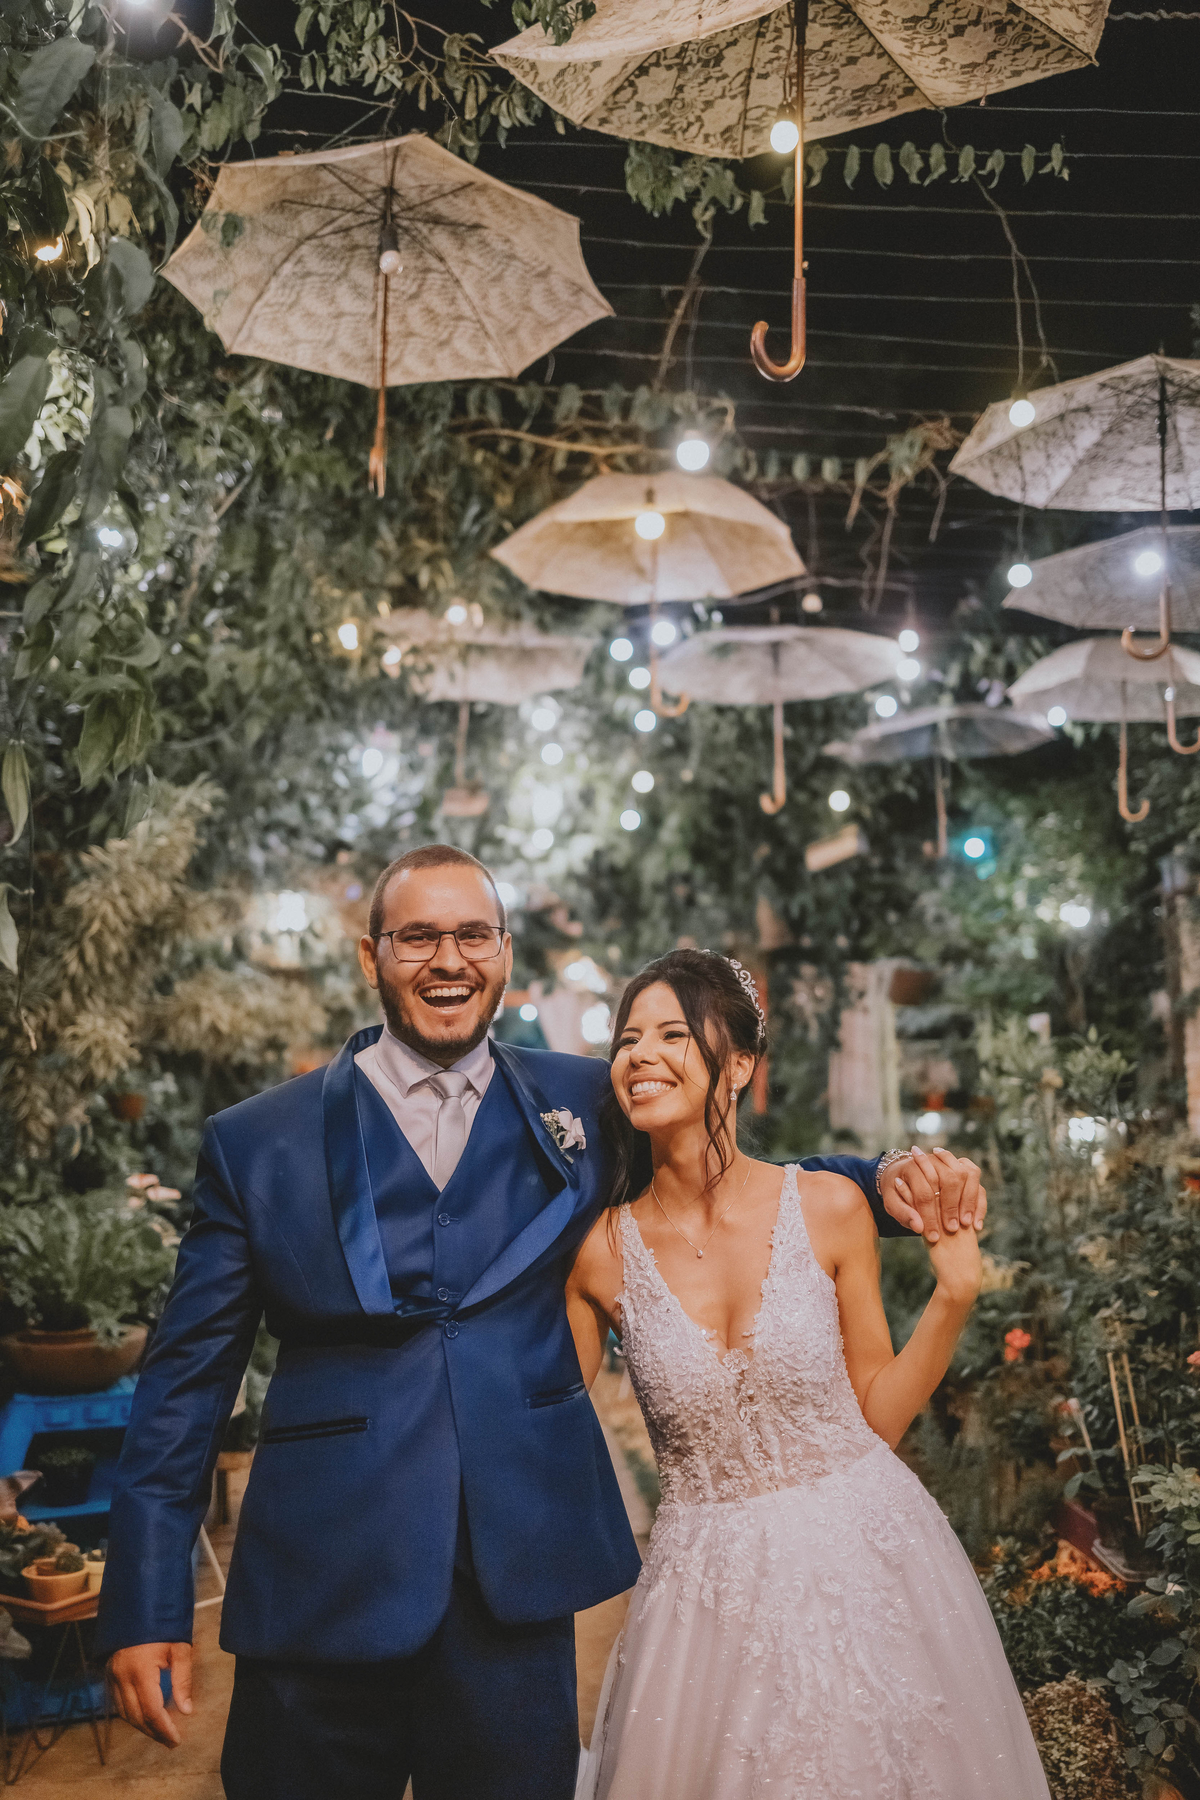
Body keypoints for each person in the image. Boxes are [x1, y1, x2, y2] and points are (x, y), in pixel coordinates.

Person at [98, 846, 986, 1800]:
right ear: (370, 956)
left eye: (473, 935)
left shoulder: (589, 1099)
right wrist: (146, 1600)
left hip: (513, 1583)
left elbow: (725, 1163)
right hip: (320, 1582)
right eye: (417, 937)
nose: (449, 960)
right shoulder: (254, 1142)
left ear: (506, 952)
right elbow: (184, 1386)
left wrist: (891, 1177)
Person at [567, 948, 1047, 1800]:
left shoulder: (829, 1206)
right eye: (628, 1038)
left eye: (673, 1033)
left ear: (740, 1066)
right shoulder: (599, 1253)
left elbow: (878, 1418)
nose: (640, 1055)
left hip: (865, 1561)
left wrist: (954, 1298)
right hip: (703, 1600)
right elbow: (548, 1419)